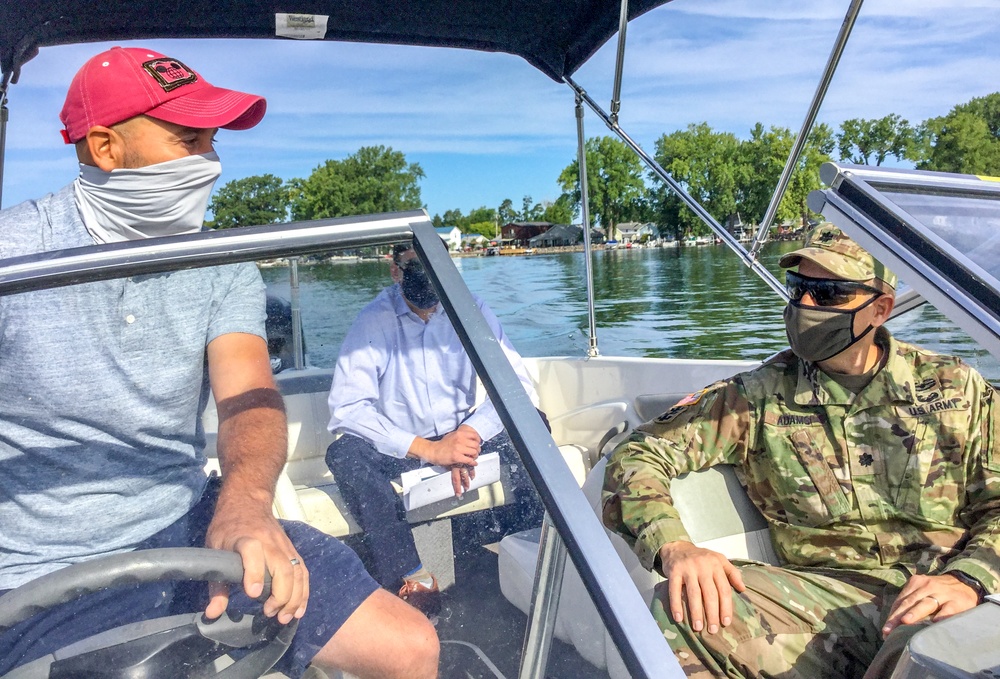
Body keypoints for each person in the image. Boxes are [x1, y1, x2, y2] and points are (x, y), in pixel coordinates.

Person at [0, 46, 438, 679]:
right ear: (105, 148)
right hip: (31, 567)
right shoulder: (14, 253)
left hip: (186, 518)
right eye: (189, 139)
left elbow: (250, 396)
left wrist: (245, 504)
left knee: (410, 648)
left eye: (213, 141)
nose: (210, 161)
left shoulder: (225, 261)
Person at [602, 224, 1000, 678]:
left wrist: (970, 577)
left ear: (880, 309)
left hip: (951, 587)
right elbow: (639, 452)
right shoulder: (757, 396)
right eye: (799, 289)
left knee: (928, 649)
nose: (806, 305)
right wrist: (673, 546)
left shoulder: (955, 389)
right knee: (684, 612)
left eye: (828, 293)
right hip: (833, 600)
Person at [326, 243, 543, 608]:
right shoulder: (374, 320)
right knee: (344, 454)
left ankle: (530, 544)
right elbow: (347, 410)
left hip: (462, 433)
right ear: (395, 271)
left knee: (533, 424)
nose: (428, 279)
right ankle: (410, 575)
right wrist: (431, 449)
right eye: (415, 268)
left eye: (437, 269)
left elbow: (516, 387)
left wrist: (468, 437)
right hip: (406, 447)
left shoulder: (471, 310)